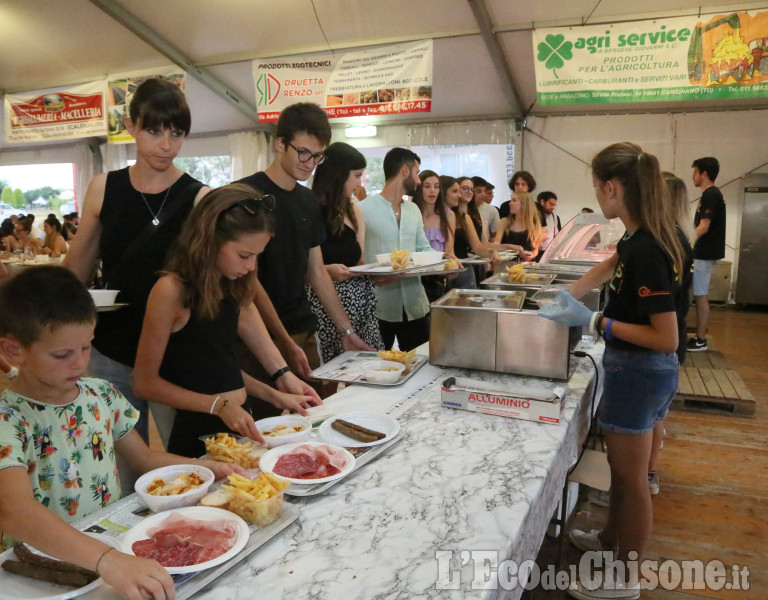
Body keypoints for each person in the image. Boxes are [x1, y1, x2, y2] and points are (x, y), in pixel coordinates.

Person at [0, 266, 244, 600]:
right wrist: (107, 560)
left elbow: (143, 458)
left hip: (110, 550)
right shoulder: (7, 419)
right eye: (62, 354)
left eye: (86, 347)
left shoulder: (99, 394)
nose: (79, 363)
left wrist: (204, 468)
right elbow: (15, 513)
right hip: (40, 570)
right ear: (13, 351)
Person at [538, 142, 685, 600]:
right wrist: (568, 293)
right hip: (642, 371)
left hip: (643, 370)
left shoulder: (647, 248)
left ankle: (625, 579)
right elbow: (611, 263)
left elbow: (667, 337)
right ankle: (608, 542)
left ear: (611, 187)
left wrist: (597, 320)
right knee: (624, 475)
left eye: (597, 187)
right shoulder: (641, 236)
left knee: (630, 479)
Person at [64, 78, 210, 446]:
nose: (165, 145)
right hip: (111, 345)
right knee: (118, 463)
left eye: (176, 134)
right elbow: (75, 272)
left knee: (181, 461)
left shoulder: (198, 197)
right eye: (154, 131)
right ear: (131, 126)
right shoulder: (103, 187)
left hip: (175, 350)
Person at [133, 184, 320, 458]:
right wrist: (218, 406)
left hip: (238, 423)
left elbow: (220, 369)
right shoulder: (171, 291)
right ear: (210, 241)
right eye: (244, 255)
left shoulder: (231, 284)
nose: (251, 267)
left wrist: (275, 393)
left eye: (258, 256)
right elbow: (145, 383)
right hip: (198, 435)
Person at [236, 103, 371, 403]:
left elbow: (317, 271)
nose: (310, 163)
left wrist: (345, 330)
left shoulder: (308, 201)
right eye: (304, 152)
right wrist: (282, 341)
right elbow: (248, 280)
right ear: (280, 144)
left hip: (302, 330)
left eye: (318, 155)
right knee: (262, 427)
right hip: (255, 336)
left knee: (313, 417)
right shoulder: (245, 196)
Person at [308, 142, 383, 363]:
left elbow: (359, 260)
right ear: (338, 175)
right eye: (357, 176)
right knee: (330, 374)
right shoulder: (312, 209)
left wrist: (380, 272)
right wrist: (327, 271)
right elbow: (302, 267)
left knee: (369, 368)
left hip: (361, 300)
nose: (359, 183)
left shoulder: (355, 210)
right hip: (325, 304)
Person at [359, 148, 432, 351]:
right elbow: (357, 258)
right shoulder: (363, 209)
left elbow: (423, 247)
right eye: (417, 173)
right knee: (377, 369)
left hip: (415, 304)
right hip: (377, 306)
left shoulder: (413, 209)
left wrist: (443, 260)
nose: (418, 181)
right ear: (405, 171)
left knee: (421, 366)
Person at [688, 157, 726, 352]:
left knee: (701, 295)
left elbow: (703, 227)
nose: (693, 176)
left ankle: (701, 339)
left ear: (704, 174)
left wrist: (684, 242)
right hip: (702, 252)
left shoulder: (711, 194)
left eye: (695, 172)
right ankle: (698, 336)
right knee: (699, 294)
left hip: (704, 253)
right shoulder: (709, 195)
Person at [492, 191, 543, 261]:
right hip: (504, 264)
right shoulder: (504, 221)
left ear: (524, 204)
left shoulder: (534, 225)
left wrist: (531, 255)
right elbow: (496, 244)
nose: (510, 203)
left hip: (524, 265)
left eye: (514, 201)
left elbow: (535, 249)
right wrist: (495, 253)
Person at [414, 170, 455, 255]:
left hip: (442, 265)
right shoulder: (412, 214)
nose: (432, 190)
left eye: (436, 187)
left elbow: (449, 251)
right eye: (427, 186)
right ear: (419, 189)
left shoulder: (449, 215)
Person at [535, 191, 561, 261]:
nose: (553, 207)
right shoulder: (533, 216)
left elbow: (558, 235)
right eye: (551, 204)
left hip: (549, 253)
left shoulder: (555, 217)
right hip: (535, 253)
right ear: (542, 202)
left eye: (554, 205)